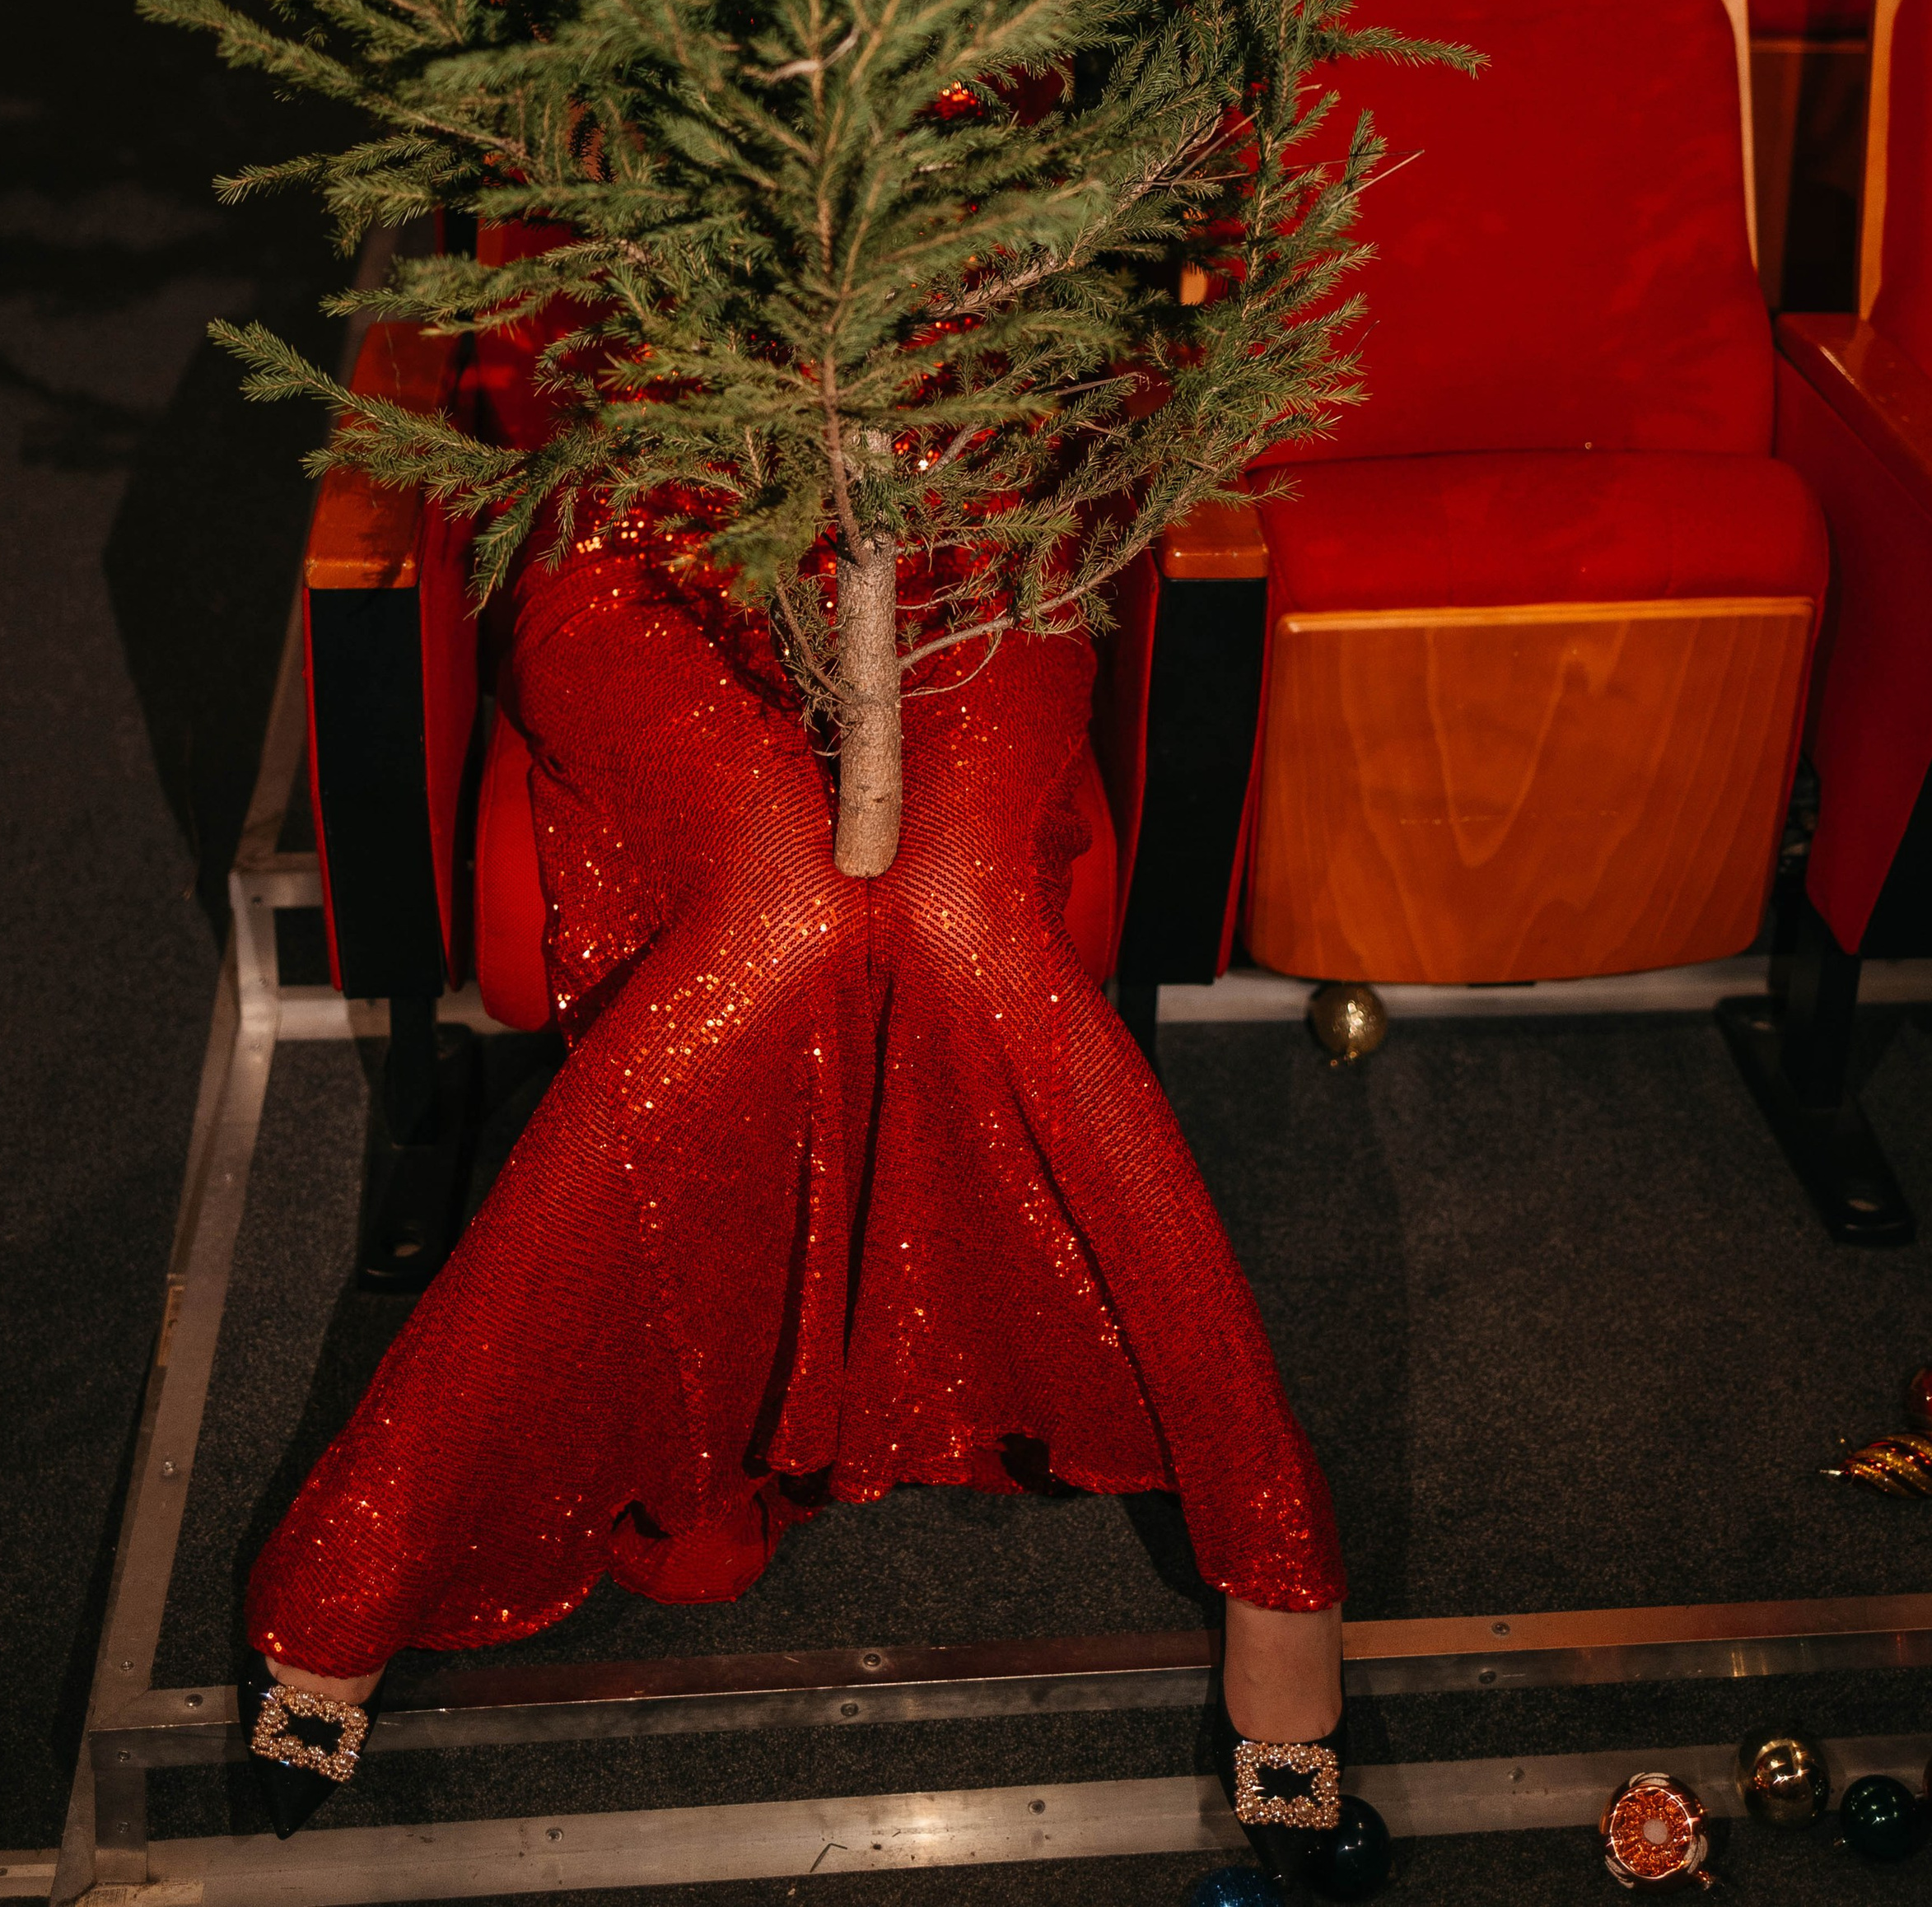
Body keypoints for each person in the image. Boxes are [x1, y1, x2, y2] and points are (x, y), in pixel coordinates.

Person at [237, 534, 1346, 1871]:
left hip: (974, 509)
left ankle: (1274, 1550)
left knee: (954, 916)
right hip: (656, 521)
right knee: (782, 924)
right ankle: (381, 1536)